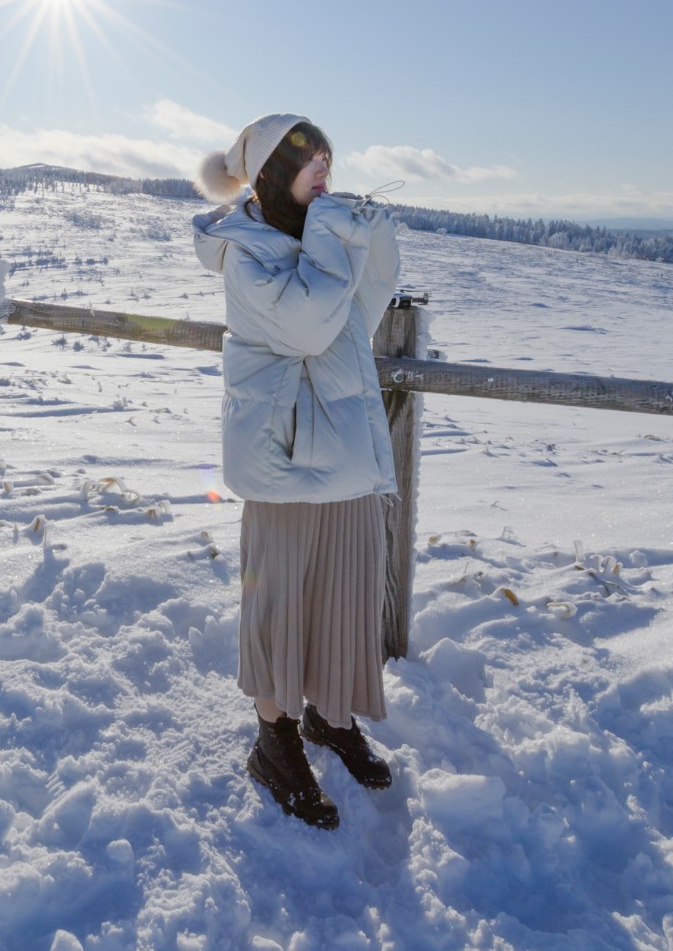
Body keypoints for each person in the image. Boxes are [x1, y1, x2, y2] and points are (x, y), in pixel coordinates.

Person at [192, 114, 402, 829]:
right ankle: (274, 738)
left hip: (342, 443)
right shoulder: (247, 251)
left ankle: (329, 716)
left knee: (345, 586)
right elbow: (311, 324)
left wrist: (371, 236)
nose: (324, 168)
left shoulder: (320, 243)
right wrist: (335, 239)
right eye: (309, 159)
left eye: (329, 160)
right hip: (282, 450)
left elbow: (362, 307)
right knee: (281, 593)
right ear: (273, 170)